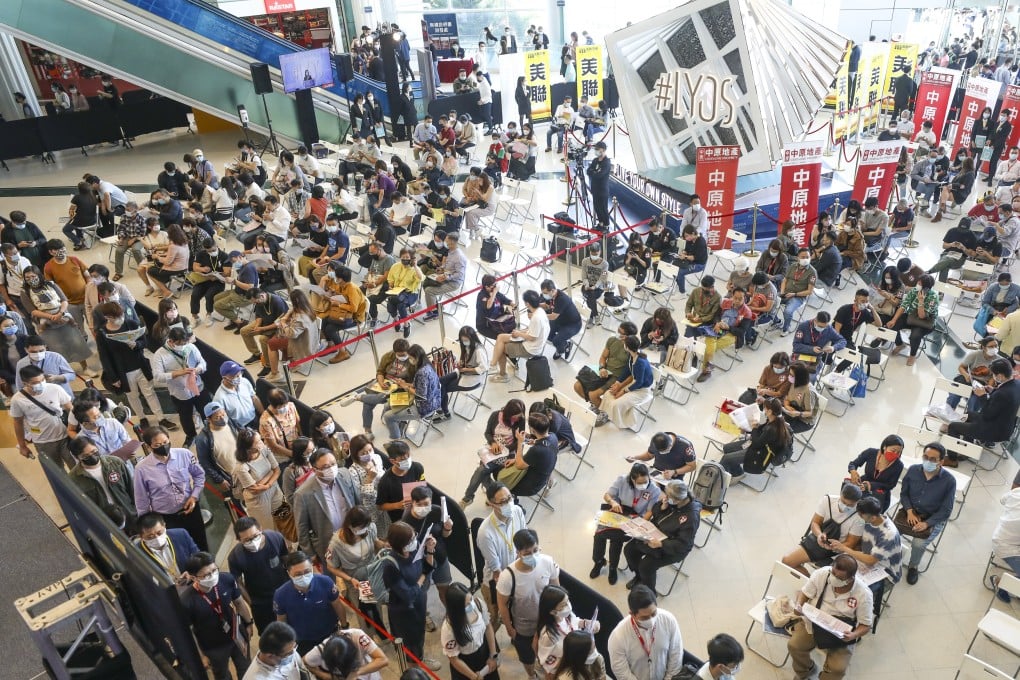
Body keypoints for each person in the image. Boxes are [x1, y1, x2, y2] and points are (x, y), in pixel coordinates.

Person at [787, 555, 873, 680]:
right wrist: (799, 605)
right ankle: (805, 671)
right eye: (833, 573)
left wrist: (853, 635)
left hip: (840, 633)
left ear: (850, 579)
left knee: (837, 668)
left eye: (839, 577)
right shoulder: (822, 574)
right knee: (794, 646)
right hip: (814, 621)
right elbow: (805, 593)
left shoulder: (863, 594)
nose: (834, 578)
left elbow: (866, 625)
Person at [95, 302, 171, 429]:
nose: (121, 319)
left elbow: (144, 341)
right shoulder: (102, 333)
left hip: (140, 365)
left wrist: (137, 345)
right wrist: (113, 377)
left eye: (121, 315)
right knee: (132, 395)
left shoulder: (131, 324)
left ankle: (161, 418)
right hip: (122, 371)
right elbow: (104, 357)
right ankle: (142, 417)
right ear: (108, 317)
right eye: (116, 317)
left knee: (149, 392)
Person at [496, 529, 560, 678]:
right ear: (517, 553)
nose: (533, 556)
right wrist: (510, 628)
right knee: (527, 657)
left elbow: (557, 592)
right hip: (523, 628)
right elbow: (502, 605)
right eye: (527, 553)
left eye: (535, 550)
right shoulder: (508, 577)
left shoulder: (548, 562)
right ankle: (531, 675)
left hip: (546, 623)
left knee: (549, 653)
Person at [133, 424, 209, 550]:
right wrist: (147, 524)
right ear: (148, 446)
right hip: (166, 517)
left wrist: (194, 496)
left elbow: (199, 475)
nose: (163, 446)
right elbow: (141, 499)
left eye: (165, 442)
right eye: (157, 445)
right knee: (178, 547)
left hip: (190, 509)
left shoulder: (184, 454)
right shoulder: (142, 469)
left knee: (200, 541)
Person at [827, 496, 903, 619]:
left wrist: (845, 549)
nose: (859, 517)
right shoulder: (864, 519)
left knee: (857, 597)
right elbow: (856, 534)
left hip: (885, 572)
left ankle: (851, 620)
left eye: (861, 515)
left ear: (872, 517)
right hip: (865, 557)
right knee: (836, 574)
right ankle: (833, 608)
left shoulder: (888, 534)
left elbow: (871, 560)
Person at [181, 551, 253, 680]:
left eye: (214, 570)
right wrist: (200, 655)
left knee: (247, 669)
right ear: (193, 578)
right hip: (213, 647)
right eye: (207, 574)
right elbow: (187, 632)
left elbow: (239, 603)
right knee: (222, 675)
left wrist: (249, 623)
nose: (213, 576)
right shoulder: (187, 601)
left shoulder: (226, 579)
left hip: (237, 634)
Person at [591, 463, 662, 585]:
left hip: (635, 517)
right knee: (598, 535)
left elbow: (650, 511)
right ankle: (599, 561)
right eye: (639, 482)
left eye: (646, 481)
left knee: (616, 540)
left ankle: (613, 567)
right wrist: (612, 502)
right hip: (618, 511)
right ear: (632, 479)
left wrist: (639, 524)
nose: (644, 484)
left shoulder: (654, 490)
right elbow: (607, 495)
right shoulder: (622, 480)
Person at [384, 521, 442, 670]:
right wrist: (423, 576)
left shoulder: (414, 550)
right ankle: (413, 670)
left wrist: (430, 550)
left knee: (419, 635)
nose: (415, 541)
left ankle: (419, 658)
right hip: (404, 612)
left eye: (414, 536)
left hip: (419, 603)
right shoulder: (391, 565)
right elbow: (408, 595)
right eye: (410, 540)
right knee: (409, 642)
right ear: (400, 544)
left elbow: (428, 568)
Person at [623, 480, 700, 591]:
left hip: (672, 547)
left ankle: (649, 591)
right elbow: (655, 512)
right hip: (655, 535)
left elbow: (683, 544)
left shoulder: (691, 517)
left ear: (678, 499)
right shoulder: (671, 501)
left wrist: (661, 544)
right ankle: (639, 577)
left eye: (668, 496)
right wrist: (662, 507)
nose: (665, 497)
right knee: (629, 550)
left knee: (646, 566)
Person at [293, 448, 361, 566]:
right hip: (329, 544)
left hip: (354, 535)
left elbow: (357, 501)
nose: (331, 469)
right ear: (315, 470)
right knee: (335, 576)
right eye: (325, 467)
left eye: (333, 464)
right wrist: (310, 553)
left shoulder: (344, 474)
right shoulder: (303, 494)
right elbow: (302, 527)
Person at [273, 551, 349, 655]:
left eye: (307, 571)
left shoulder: (326, 582)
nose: (303, 576)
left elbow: (337, 605)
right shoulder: (281, 594)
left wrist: (344, 626)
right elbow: (281, 620)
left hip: (329, 634)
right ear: (289, 573)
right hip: (303, 641)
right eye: (298, 574)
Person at [945, 358, 1020, 461]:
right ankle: (967, 450)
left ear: (1000, 376)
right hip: (1005, 425)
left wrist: (982, 396)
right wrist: (993, 390)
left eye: (994, 374)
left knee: (953, 427)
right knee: (968, 414)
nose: (993, 377)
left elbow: (987, 414)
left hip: (994, 430)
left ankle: (951, 459)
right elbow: (1002, 403)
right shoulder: (1016, 384)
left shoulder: (1002, 394)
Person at [782, 484, 865, 576]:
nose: (845, 506)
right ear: (840, 494)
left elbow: (850, 543)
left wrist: (835, 546)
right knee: (786, 561)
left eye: (850, 505)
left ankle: (813, 586)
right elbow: (815, 523)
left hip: (837, 549)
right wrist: (819, 535)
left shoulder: (859, 516)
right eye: (843, 502)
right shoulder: (828, 500)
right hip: (818, 540)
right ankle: (811, 585)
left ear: (857, 502)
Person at [21, 266, 91, 374]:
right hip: (45, 321)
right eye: (27, 277)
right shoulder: (25, 291)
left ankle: (85, 368)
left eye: (33, 276)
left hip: (63, 316)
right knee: (56, 347)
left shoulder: (51, 284)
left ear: (39, 275)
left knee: (75, 342)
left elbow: (64, 300)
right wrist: (51, 317)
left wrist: (60, 313)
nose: (31, 279)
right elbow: (32, 311)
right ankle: (65, 370)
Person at [228, 517, 290, 634]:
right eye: (247, 540)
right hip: (261, 602)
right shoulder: (236, 557)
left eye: (255, 536)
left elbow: (286, 559)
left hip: (285, 591)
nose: (253, 541)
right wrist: (252, 603)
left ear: (260, 529)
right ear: (238, 540)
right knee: (270, 634)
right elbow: (237, 582)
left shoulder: (275, 538)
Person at [607, 585, 683, 680]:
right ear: (632, 614)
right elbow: (621, 671)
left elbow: (676, 654)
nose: (651, 620)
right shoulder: (618, 636)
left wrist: (669, 678)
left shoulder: (669, 620)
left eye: (654, 613)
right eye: (645, 617)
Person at [151, 326, 209, 445]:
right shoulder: (159, 355)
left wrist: (198, 369)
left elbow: (202, 362)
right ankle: (191, 435)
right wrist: (177, 373)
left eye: (185, 342)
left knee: (206, 412)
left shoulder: (190, 346)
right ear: (171, 341)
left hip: (198, 386)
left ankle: (210, 432)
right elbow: (157, 376)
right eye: (181, 343)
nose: (183, 346)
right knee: (185, 416)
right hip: (180, 392)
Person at [11, 364, 74, 468]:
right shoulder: (17, 400)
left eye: (42, 379)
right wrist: (22, 446)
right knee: (57, 473)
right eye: (35, 383)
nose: (41, 384)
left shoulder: (55, 389)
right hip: (42, 442)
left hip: (65, 436)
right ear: (25, 383)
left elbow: (71, 409)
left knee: (75, 466)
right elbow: (17, 423)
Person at [68, 436, 136, 531]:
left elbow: (132, 489)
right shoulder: (74, 478)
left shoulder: (115, 463)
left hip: (130, 515)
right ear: (77, 457)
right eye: (85, 456)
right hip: (105, 523)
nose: (92, 456)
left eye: (93, 451)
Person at [536, 586, 603, 679]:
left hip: (578, 659)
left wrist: (586, 623)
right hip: (565, 668)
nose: (568, 606)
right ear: (553, 612)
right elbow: (549, 665)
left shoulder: (567, 615)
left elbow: (575, 622)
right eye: (563, 605)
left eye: (568, 601)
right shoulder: (548, 636)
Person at [719, 397, 793, 477]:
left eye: (765, 408)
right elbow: (761, 434)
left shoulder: (772, 429)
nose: (763, 410)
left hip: (761, 453)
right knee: (727, 448)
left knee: (726, 459)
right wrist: (753, 429)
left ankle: (732, 476)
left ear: (770, 411)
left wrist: (754, 428)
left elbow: (756, 444)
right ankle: (736, 471)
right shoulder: (775, 420)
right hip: (760, 444)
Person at [381, 344, 441, 440]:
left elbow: (421, 395)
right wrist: (406, 384)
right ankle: (398, 425)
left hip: (424, 407)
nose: (409, 360)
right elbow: (419, 384)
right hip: (432, 400)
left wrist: (405, 387)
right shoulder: (427, 365)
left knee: (388, 416)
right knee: (388, 405)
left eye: (410, 357)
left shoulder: (422, 372)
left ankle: (397, 441)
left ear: (416, 358)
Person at [441, 581, 500, 680]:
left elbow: (488, 627)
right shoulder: (448, 628)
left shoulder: (478, 604)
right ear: (457, 609)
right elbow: (454, 659)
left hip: (484, 653)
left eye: (471, 599)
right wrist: (474, 677)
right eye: (466, 605)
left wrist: (492, 655)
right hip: (466, 664)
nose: (471, 605)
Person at [574, 321, 638, 411]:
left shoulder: (632, 350)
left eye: (620, 333)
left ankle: (604, 413)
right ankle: (597, 405)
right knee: (577, 386)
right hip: (606, 371)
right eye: (618, 330)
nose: (618, 333)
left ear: (627, 337)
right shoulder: (612, 340)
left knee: (593, 395)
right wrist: (602, 368)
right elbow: (603, 357)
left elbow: (632, 374)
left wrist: (620, 385)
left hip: (617, 377)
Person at [491, 289, 549, 383]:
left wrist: (519, 334)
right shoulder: (540, 312)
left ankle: (502, 374)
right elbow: (533, 331)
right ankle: (493, 364)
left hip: (530, 348)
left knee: (500, 349)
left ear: (527, 303)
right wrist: (520, 332)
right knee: (501, 337)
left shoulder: (536, 318)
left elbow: (532, 337)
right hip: (534, 343)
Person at [233, 428, 285, 533]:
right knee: (268, 528)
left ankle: (288, 545)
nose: (262, 442)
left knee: (284, 520)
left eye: (260, 439)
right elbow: (255, 489)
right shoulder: (241, 466)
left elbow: (277, 470)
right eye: (257, 442)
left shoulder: (264, 450)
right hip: (258, 500)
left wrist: (267, 485)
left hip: (274, 489)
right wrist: (270, 473)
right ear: (248, 448)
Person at [596, 335, 653, 429]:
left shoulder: (640, 362)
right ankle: (605, 415)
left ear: (627, 347)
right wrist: (618, 383)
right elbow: (628, 370)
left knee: (616, 403)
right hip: (634, 385)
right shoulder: (633, 355)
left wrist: (623, 391)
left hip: (642, 390)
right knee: (608, 394)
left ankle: (621, 422)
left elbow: (639, 382)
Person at [886, 273, 939, 366]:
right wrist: (893, 320)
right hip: (911, 317)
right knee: (893, 325)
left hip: (925, 322)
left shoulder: (933, 297)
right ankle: (899, 344)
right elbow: (903, 306)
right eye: (918, 282)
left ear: (926, 288)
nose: (917, 284)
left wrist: (921, 301)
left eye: (920, 283)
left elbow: (922, 316)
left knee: (915, 336)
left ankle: (912, 355)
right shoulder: (914, 291)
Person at [438, 326, 488, 420]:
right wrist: (461, 365)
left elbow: (483, 368)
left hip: (472, 380)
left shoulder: (479, 350)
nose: (464, 342)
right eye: (462, 340)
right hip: (463, 373)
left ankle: (444, 412)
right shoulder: (466, 346)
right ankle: (442, 409)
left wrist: (465, 370)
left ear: (472, 338)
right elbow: (466, 361)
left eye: (466, 340)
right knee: (439, 382)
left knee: (442, 387)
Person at [846, 434, 905, 512]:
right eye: (893, 451)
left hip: (880, 491)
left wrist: (870, 485)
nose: (896, 454)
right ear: (884, 447)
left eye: (899, 452)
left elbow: (891, 485)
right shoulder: (871, 452)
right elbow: (853, 464)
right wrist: (853, 471)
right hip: (862, 483)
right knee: (848, 499)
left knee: (869, 511)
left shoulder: (899, 465)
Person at [135, 512, 199, 581]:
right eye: (150, 537)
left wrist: (191, 573)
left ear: (164, 526)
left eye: (159, 533)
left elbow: (198, 557)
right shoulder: (136, 553)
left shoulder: (181, 535)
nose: (157, 538)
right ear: (141, 537)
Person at [422, 232, 467, 321]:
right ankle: (435, 306)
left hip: (453, 282)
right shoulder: (450, 251)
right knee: (425, 282)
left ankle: (434, 312)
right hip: (445, 275)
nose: (445, 243)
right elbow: (446, 265)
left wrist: (446, 277)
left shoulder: (459, 257)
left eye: (447, 241)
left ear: (452, 242)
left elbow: (460, 274)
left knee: (429, 291)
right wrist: (441, 268)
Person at [541, 278, 582, 360]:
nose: (544, 295)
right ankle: (565, 344)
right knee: (546, 333)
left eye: (545, 293)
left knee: (556, 340)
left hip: (573, 325)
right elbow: (547, 306)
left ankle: (561, 350)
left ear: (552, 291)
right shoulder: (552, 296)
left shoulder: (562, 299)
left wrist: (540, 315)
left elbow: (553, 316)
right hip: (561, 320)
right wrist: (535, 305)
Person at [779, 249, 818, 333]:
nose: (805, 259)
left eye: (807, 257)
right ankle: (776, 322)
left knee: (788, 311)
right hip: (785, 292)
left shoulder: (812, 272)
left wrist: (795, 294)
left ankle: (786, 328)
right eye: (803, 257)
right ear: (798, 258)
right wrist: (782, 292)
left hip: (798, 297)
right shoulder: (793, 266)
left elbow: (809, 291)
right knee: (770, 302)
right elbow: (785, 280)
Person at [475, 274, 515, 340]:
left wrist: (512, 304)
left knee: (513, 328)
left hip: (498, 320)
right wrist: (494, 292)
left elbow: (504, 299)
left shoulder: (495, 291)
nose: (495, 287)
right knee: (503, 337)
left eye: (495, 285)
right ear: (486, 287)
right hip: (486, 326)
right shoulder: (481, 296)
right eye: (493, 286)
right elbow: (488, 306)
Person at [676, 225, 709, 294]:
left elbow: (694, 257)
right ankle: (680, 284)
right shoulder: (690, 240)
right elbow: (686, 250)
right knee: (674, 267)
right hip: (690, 260)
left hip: (699, 264)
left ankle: (682, 293)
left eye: (687, 236)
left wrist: (685, 257)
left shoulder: (701, 242)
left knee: (680, 272)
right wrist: (683, 253)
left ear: (693, 233)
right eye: (685, 236)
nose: (686, 238)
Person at [588, 141, 613, 227]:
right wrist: (594, 172)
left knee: (603, 209)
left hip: (602, 190)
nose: (596, 151)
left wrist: (593, 172)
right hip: (595, 189)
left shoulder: (606, 163)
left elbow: (599, 175)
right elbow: (588, 171)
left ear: (602, 150)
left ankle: (606, 225)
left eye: (597, 149)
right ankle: (601, 223)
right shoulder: (595, 160)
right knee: (597, 208)